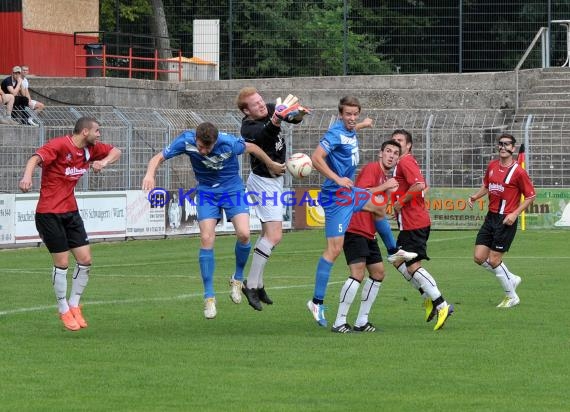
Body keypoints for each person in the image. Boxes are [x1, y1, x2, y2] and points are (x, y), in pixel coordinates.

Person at [142, 121, 286, 319]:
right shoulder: (186, 140)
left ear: (215, 141)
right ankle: (209, 297)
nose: (202, 151)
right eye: (200, 146)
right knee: (207, 239)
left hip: (232, 189)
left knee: (244, 234)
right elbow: (158, 157)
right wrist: (150, 174)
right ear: (196, 139)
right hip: (207, 192)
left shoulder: (228, 143)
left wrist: (270, 164)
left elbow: (252, 147)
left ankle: (237, 278)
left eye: (207, 148)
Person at [307, 96, 413, 328]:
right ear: (340, 114)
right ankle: (316, 302)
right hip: (336, 196)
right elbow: (316, 159)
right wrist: (336, 178)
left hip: (348, 192)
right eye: (348, 114)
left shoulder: (351, 127)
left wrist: (364, 123)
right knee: (333, 250)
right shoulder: (335, 134)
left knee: (376, 207)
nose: (352, 118)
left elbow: (354, 127)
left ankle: (394, 252)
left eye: (355, 114)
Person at [18, 117, 121, 331]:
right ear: (85, 132)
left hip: (71, 212)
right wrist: (27, 177)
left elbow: (116, 152)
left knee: (85, 259)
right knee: (63, 262)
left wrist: (104, 162)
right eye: (97, 131)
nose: (99, 135)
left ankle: (74, 304)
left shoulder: (91, 150)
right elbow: (35, 158)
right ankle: (63, 308)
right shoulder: (60, 145)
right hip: (49, 213)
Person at [236, 87, 309, 311]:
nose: (261, 105)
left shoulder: (268, 110)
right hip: (263, 182)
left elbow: (291, 118)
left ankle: (257, 283)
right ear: (246, 111)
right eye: (255, 104)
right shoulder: (248, 127)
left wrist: (298, 114)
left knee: (267, 236)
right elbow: (264, 134)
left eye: (260, 100)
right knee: (275, 236)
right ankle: (251, 285)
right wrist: (277, 117)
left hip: (273, 180)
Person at [330, 140, 402, 333]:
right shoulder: (372, 169)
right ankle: (339, 321)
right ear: (380, 153)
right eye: (388, 151)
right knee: (358, 274)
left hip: (368, 232)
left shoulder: (384, 177)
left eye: (395, 153)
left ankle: (362, 321)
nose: (391, 155)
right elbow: (359, 194)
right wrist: (385, 186)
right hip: (355, 227)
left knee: (378, 272)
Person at [390, 129, 453, 331]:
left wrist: (401, 202)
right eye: (394, 140)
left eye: (400, 140)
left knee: (412, 266)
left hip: (414, 223)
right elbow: (421, 187)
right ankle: (428, 298)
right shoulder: (405, 162)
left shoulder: (405, 161)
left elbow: (419, 185)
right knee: (397, 260)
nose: (396, 143)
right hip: (410, 222)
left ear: (408, 145)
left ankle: (441, 304)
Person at [468, 133, 535, 308]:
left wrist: (514, 214)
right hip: (491, 217)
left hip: (506, 219)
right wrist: (476, 196)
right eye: (500, 144)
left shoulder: (519, 172)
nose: (503, 147)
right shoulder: (492, 165)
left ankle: (511, 296)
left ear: (513, 148)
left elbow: (530, 196)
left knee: (494, 260)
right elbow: (487, 185)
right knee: (478, 257)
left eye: (507, 144)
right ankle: (511, 278)